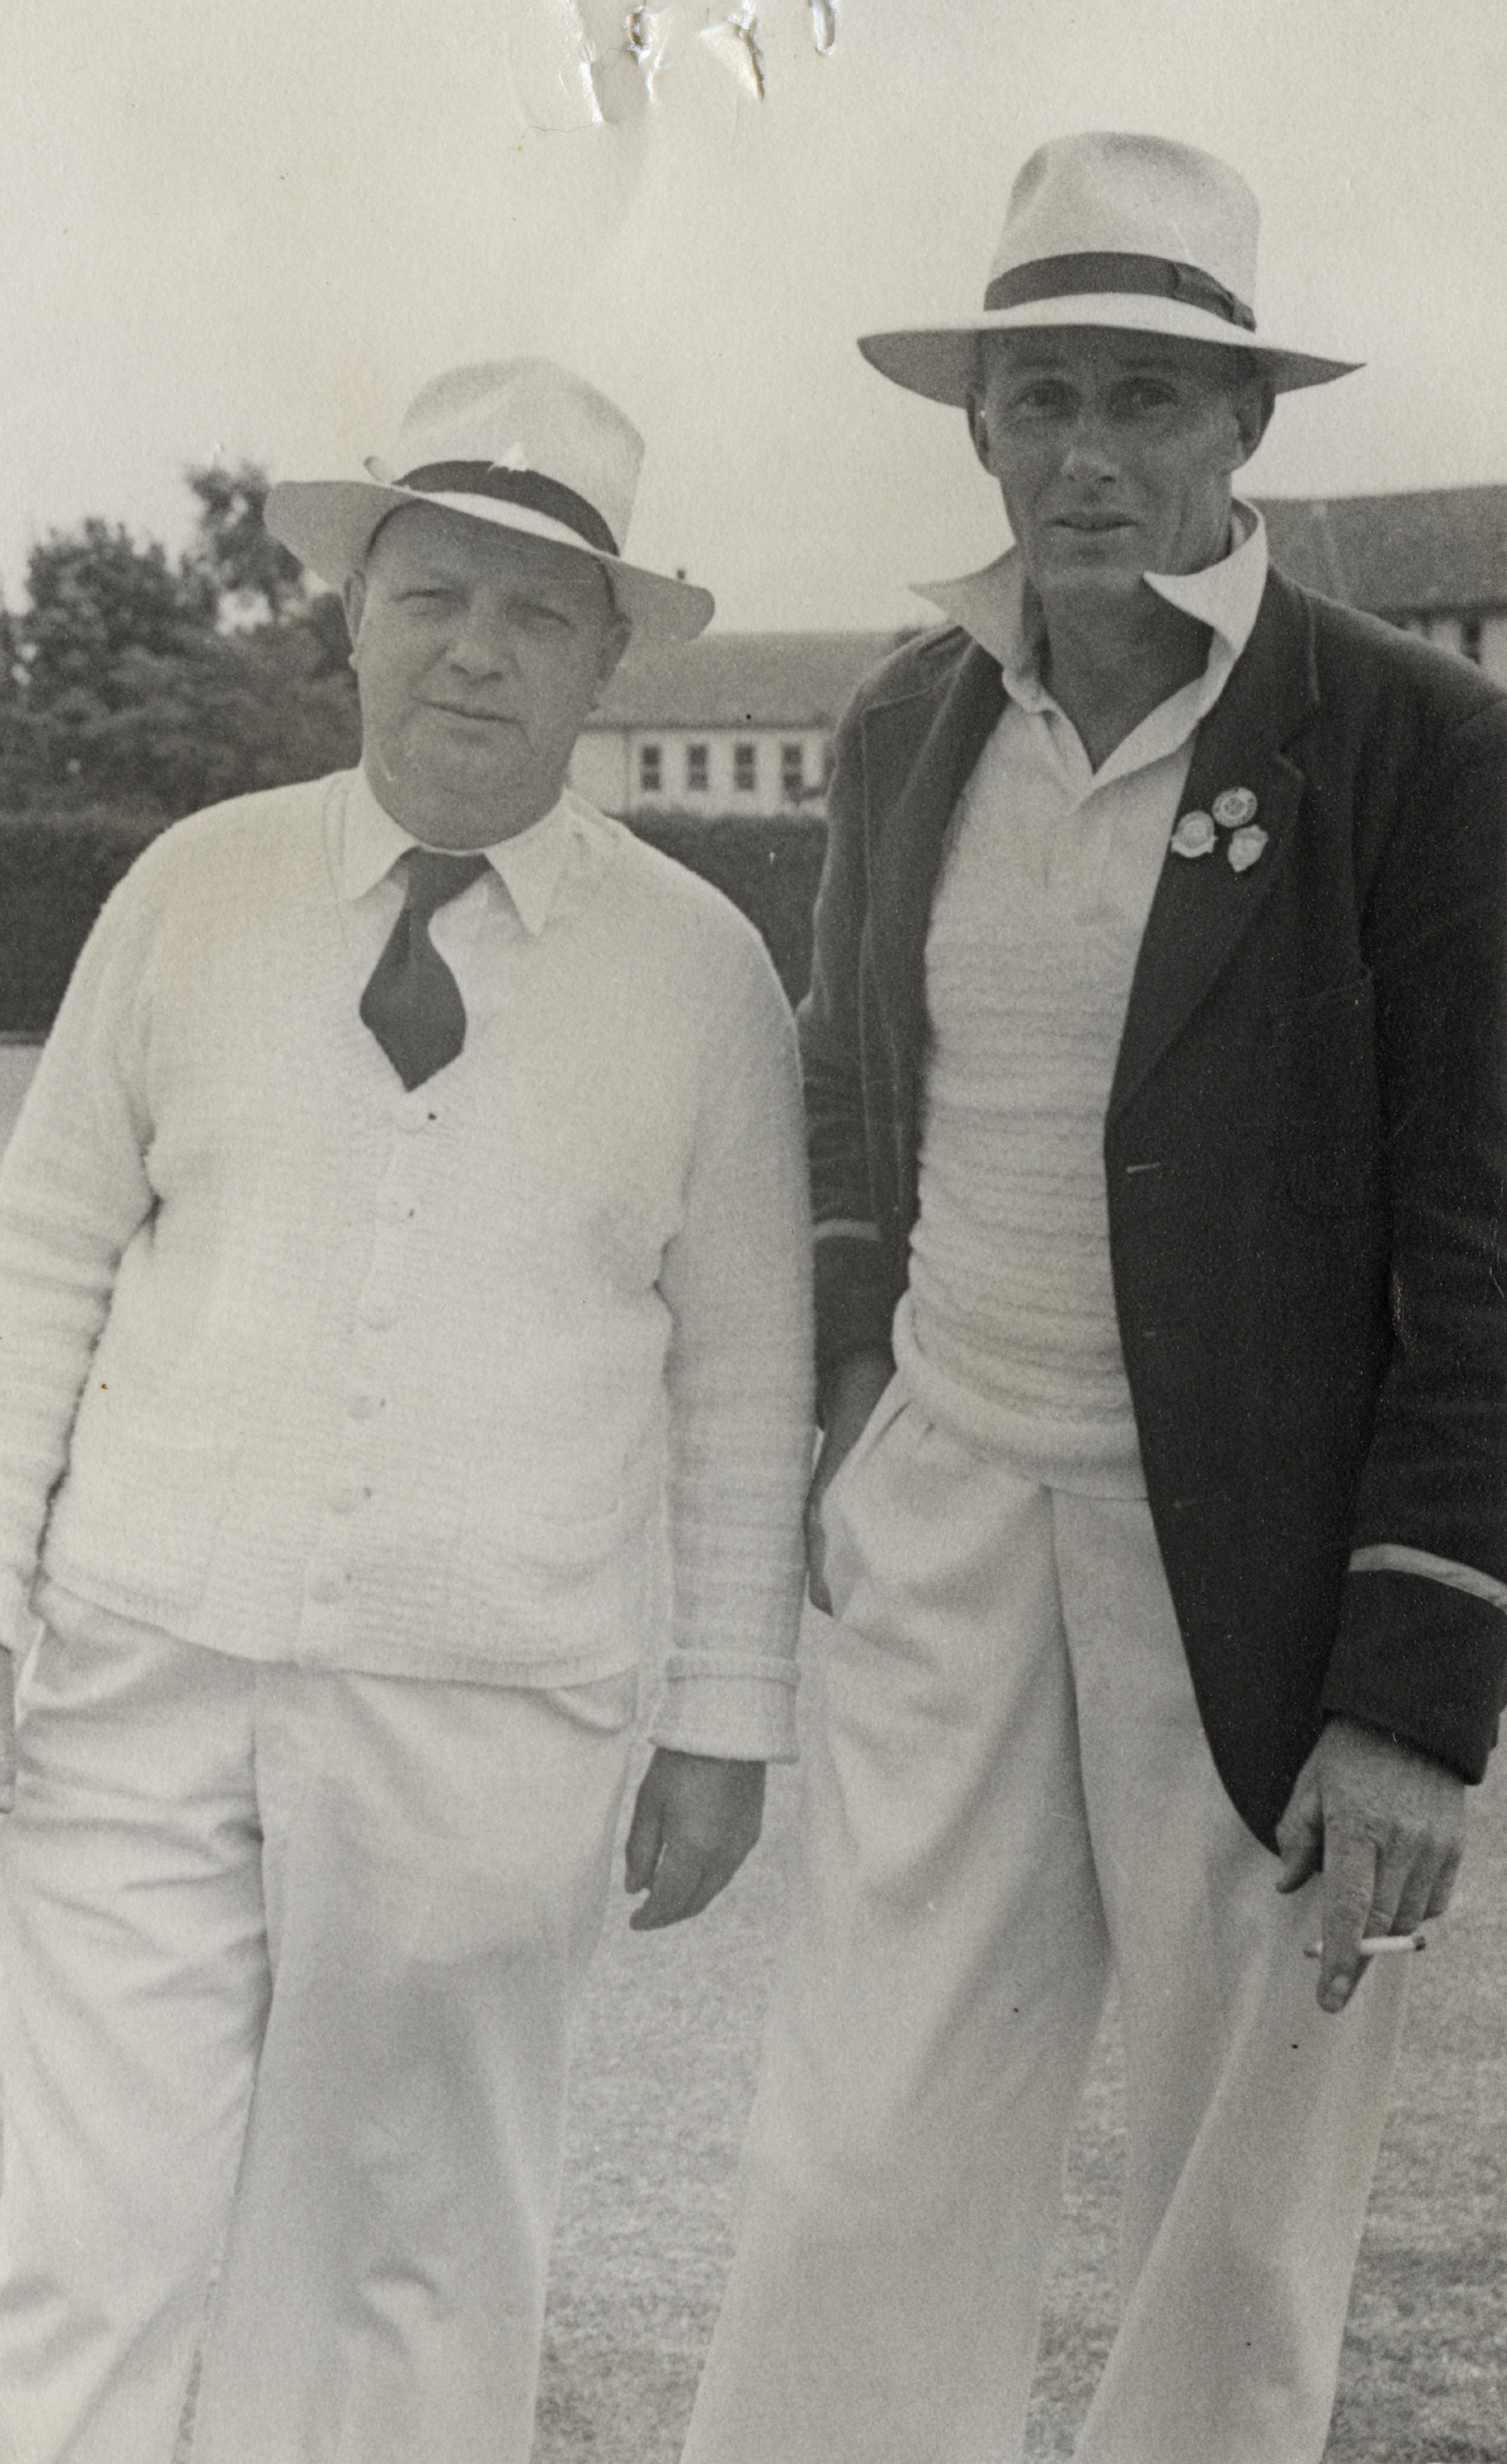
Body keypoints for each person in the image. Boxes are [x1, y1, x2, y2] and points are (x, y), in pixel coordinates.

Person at [680, 133, 1507, 2464]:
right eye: (1042, 397)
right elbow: (851, 1083)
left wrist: (1415, 1696)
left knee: (1237, 2209)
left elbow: (1489, 1230)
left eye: (1150, 398)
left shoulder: (1414, 748)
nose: (1091, 455)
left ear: (1247, 430)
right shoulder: (900, 722)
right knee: (864, 2141)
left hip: (1254, 1569)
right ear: (980, 427)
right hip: (952, 1512)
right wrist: (860, 1385)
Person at [0, 357, 813, 2464]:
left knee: (402, 2264)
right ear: (347, 609)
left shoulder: (707, 973)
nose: (477, 651)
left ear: (610, 660)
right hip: (141, 1669)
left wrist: (726, 1719)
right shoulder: (192, 888)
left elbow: (743, 1378)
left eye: (542, 612)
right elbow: (42, 1257)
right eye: (433, 591)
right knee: (69, 2237)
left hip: (486, 1710)